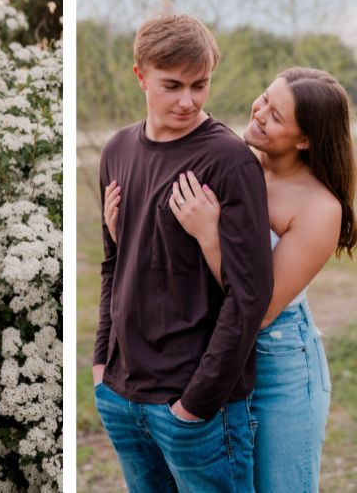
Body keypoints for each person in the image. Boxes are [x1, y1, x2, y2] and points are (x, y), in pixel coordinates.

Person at [105, 67, 354, 492]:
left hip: (277, 360)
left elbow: (259, 304)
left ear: (305, 139)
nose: (258, 113)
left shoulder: (319, 207)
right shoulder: (233, 161)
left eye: (276, 116)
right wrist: (125, 232)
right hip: (212, 348)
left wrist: (209, 236)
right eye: (264, 98)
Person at [93, 13, 273, 491]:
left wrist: (197, 403)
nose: (188, 100)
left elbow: (249, 296)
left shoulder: (229, 161)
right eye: (172, 85)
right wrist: (100, 368)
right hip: (122, 396)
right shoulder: (117, 150)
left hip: (195, 409)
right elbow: (114, 264)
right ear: (140, 76)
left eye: (200, 85)